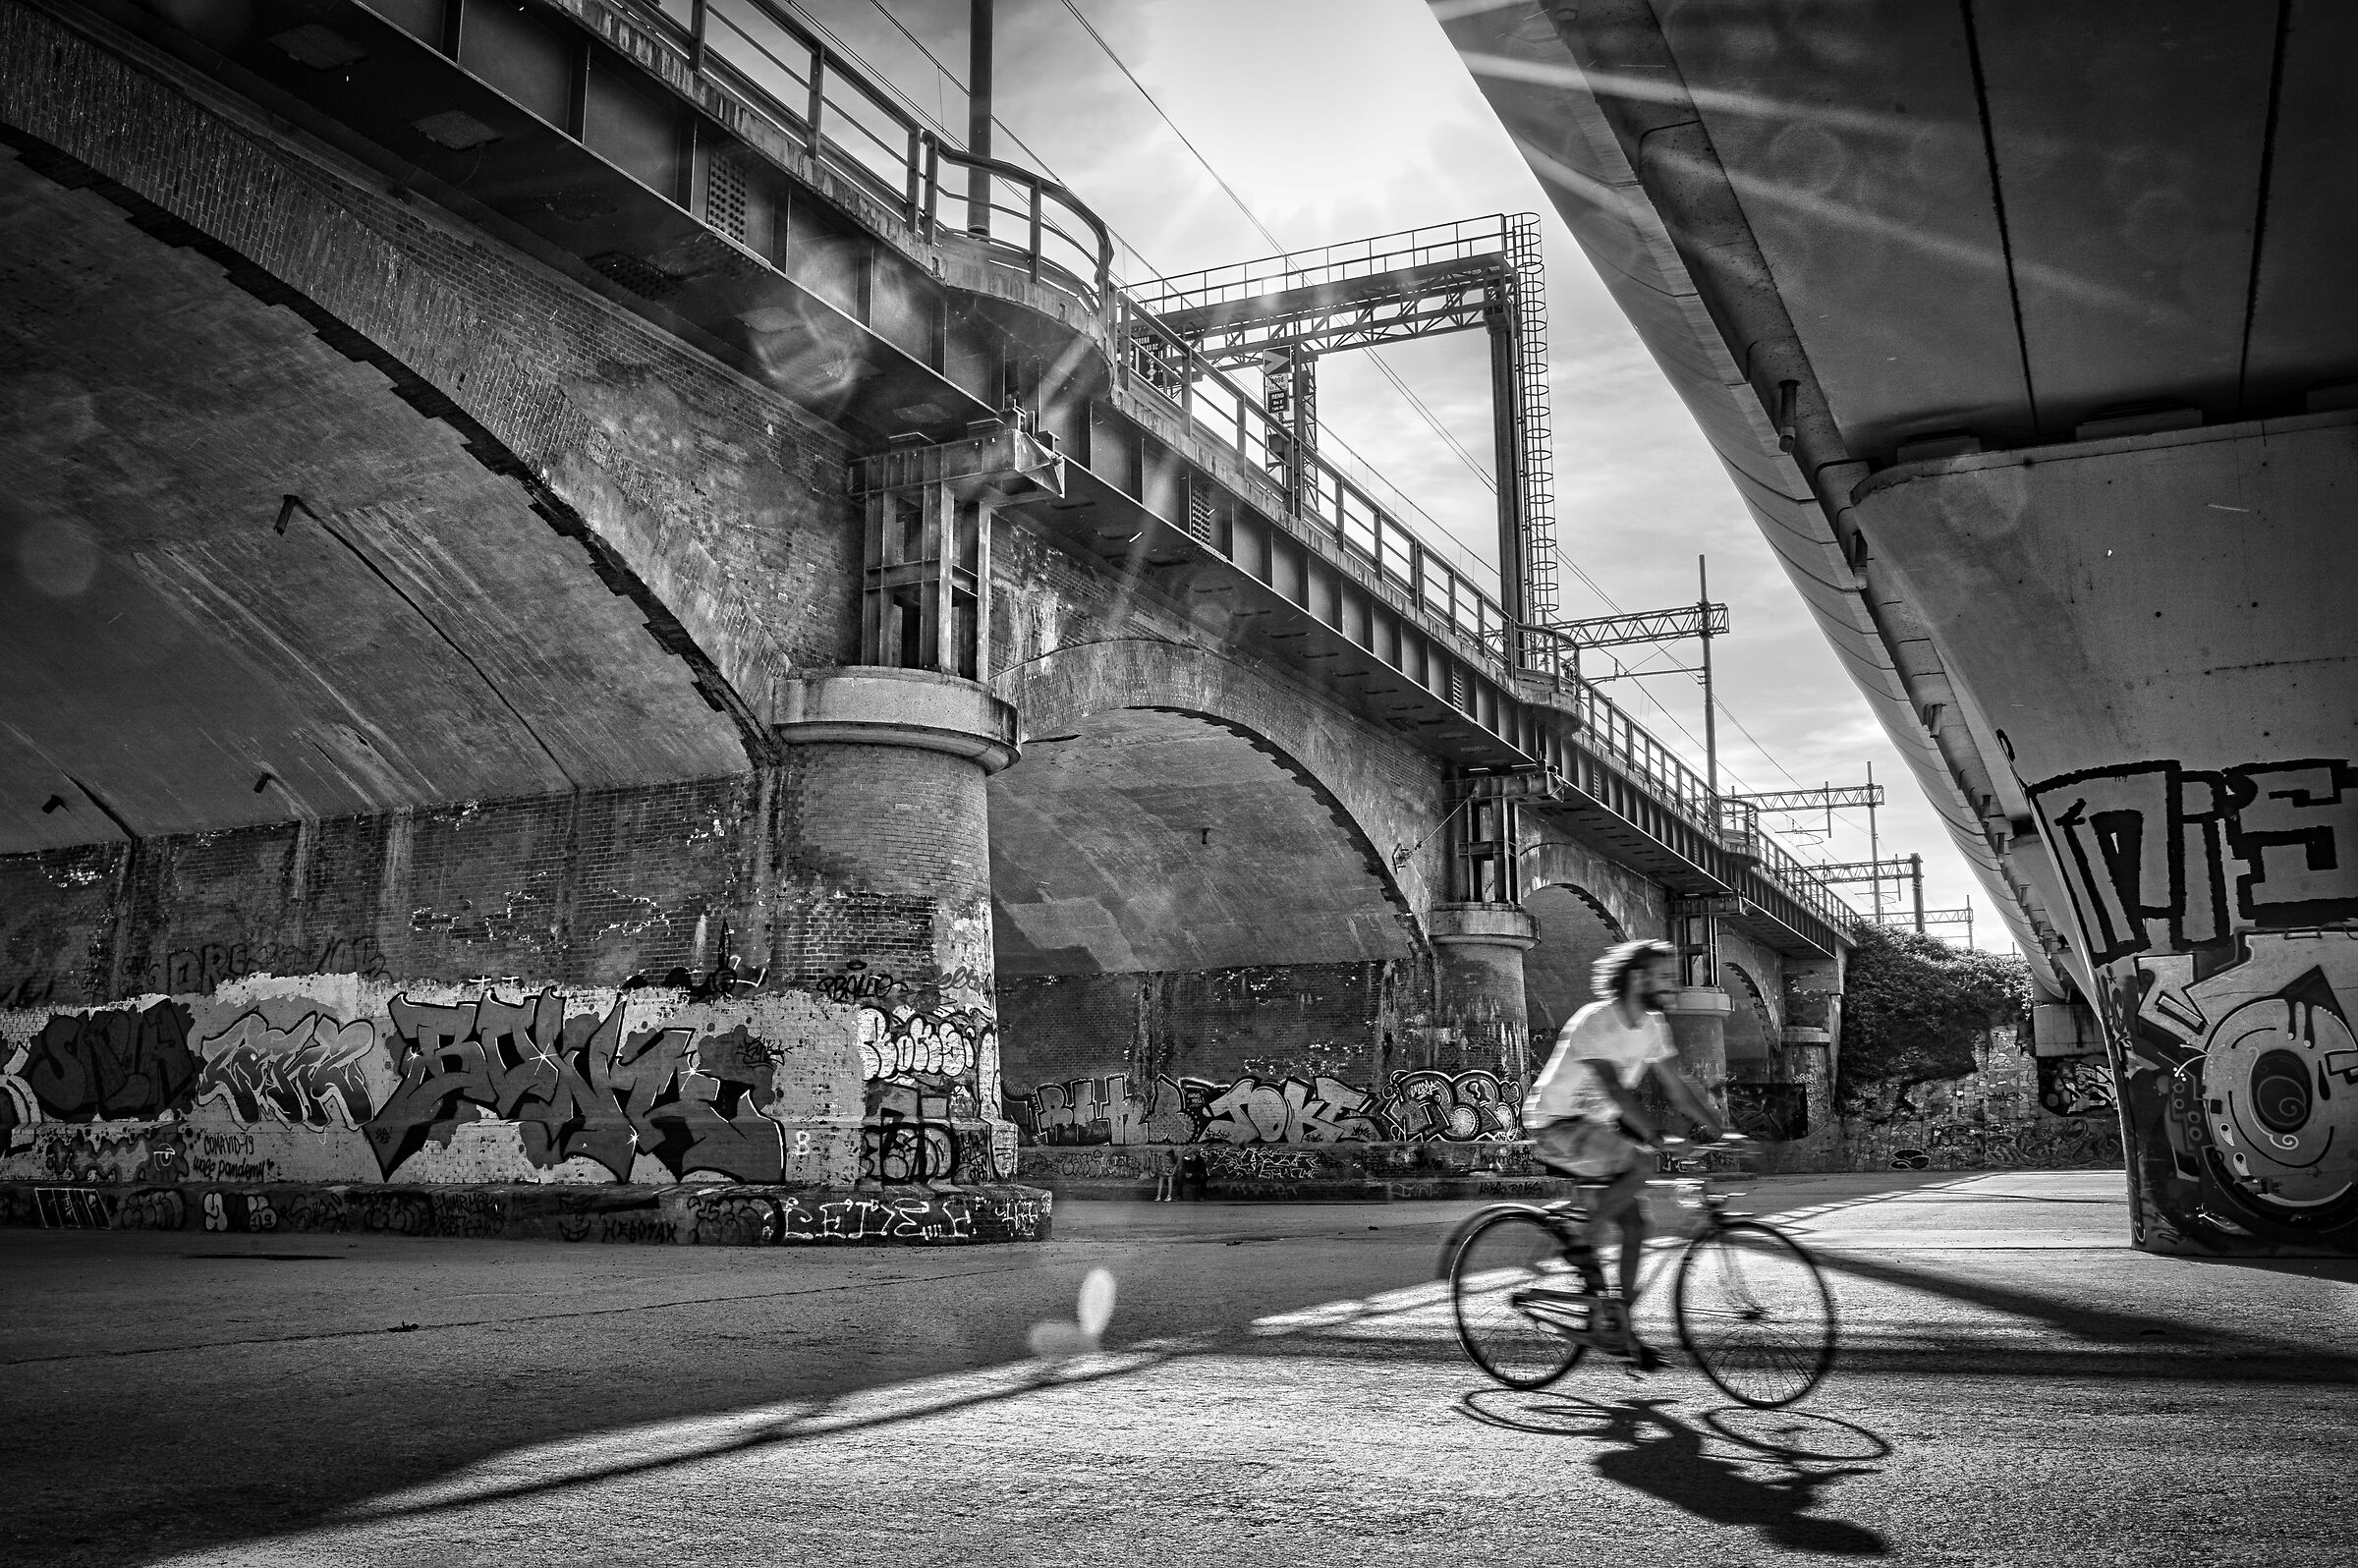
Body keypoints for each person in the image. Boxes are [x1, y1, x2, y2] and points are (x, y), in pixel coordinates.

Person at [1526, 937, 1724, 1368]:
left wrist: (1718, 1129)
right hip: (1556, 1124)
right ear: (1637, 978)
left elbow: (1676, 1084)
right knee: (1638, 1163)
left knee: (1637, 1226)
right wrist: (1655, 1137)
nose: (1672, 985)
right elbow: (1612, 1087)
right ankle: (1581, 1237)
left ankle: (1617, 1328)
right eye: (1664, 977)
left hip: (1594, 1131)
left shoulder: (1653, 1025)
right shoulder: (1597, 1019)